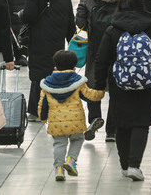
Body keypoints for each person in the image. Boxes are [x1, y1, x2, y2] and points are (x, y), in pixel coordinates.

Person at [95, 0, 151, 182]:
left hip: (119, 82)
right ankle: (134, 166)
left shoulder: (113, 28)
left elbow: (101, 58)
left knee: (122, 123)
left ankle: (123, 166)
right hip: (148, 82)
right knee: (141, 122)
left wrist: (98, 84)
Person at [75, 0, 129, 142]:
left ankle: (95, 117)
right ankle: (111, 132)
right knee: (115, 86)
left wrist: (91, 28)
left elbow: (80, 20)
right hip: (119, 47)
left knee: (94, 84)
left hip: (96, 46)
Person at [20, 0, 76, 118]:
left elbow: (29, 15)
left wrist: (21, 14)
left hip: (39, 36)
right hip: (57, 36)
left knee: (38, 73)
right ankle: (56, 106)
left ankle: (36, 110)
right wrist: (70, 37)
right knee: (54, 68)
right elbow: (69, 15)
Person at [38, 50, 105, 182]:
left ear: (55, 66)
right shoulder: (78, 82)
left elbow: (43, 103)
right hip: (76, 121)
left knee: (59, 144)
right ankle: (71, 160)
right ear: (74, 67)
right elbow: (89, 95)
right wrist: (101, 93)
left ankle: (58, 169)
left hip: (56, 122)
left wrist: (43, 117)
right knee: (78, 139)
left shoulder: (47, 84)